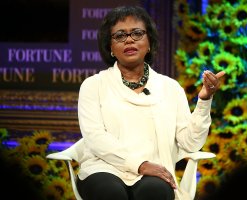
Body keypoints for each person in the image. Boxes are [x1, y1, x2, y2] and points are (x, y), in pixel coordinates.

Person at [76, 5, 225, 200]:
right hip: (103, 167)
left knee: (155, 192)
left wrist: (204, 100)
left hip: (154, 170)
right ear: (110, 47)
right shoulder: (93, 85)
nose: (129, 39)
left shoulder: (170, 88)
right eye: (120, 35)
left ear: (149, 43)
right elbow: (96, 138)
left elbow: (191, 143)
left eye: (137, 33)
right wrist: (139, 164)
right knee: (111, 193)